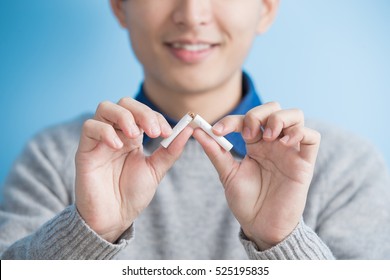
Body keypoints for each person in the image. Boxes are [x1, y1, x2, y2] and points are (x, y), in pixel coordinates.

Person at [1, 0, 389, 260]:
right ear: (121, 6)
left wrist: (284, 242)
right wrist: (87, 232)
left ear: (266, 9)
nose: (191, 14)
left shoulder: (343, 166)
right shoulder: (56, 157)